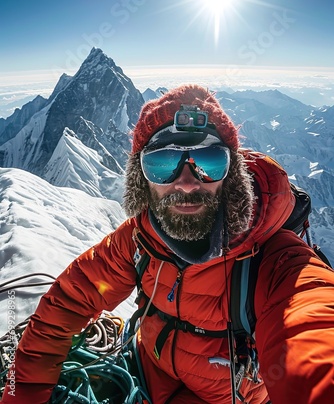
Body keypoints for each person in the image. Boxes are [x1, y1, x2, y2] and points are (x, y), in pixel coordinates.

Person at [1, 84, 334, 404]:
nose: (187, 183)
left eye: (208, 163)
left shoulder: (273, 259)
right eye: (162, 165)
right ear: (141, 179)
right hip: (146, 375)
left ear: (231, 175)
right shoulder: (139, 238)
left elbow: (314, 327)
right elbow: (69, 301)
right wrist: (21, 395)